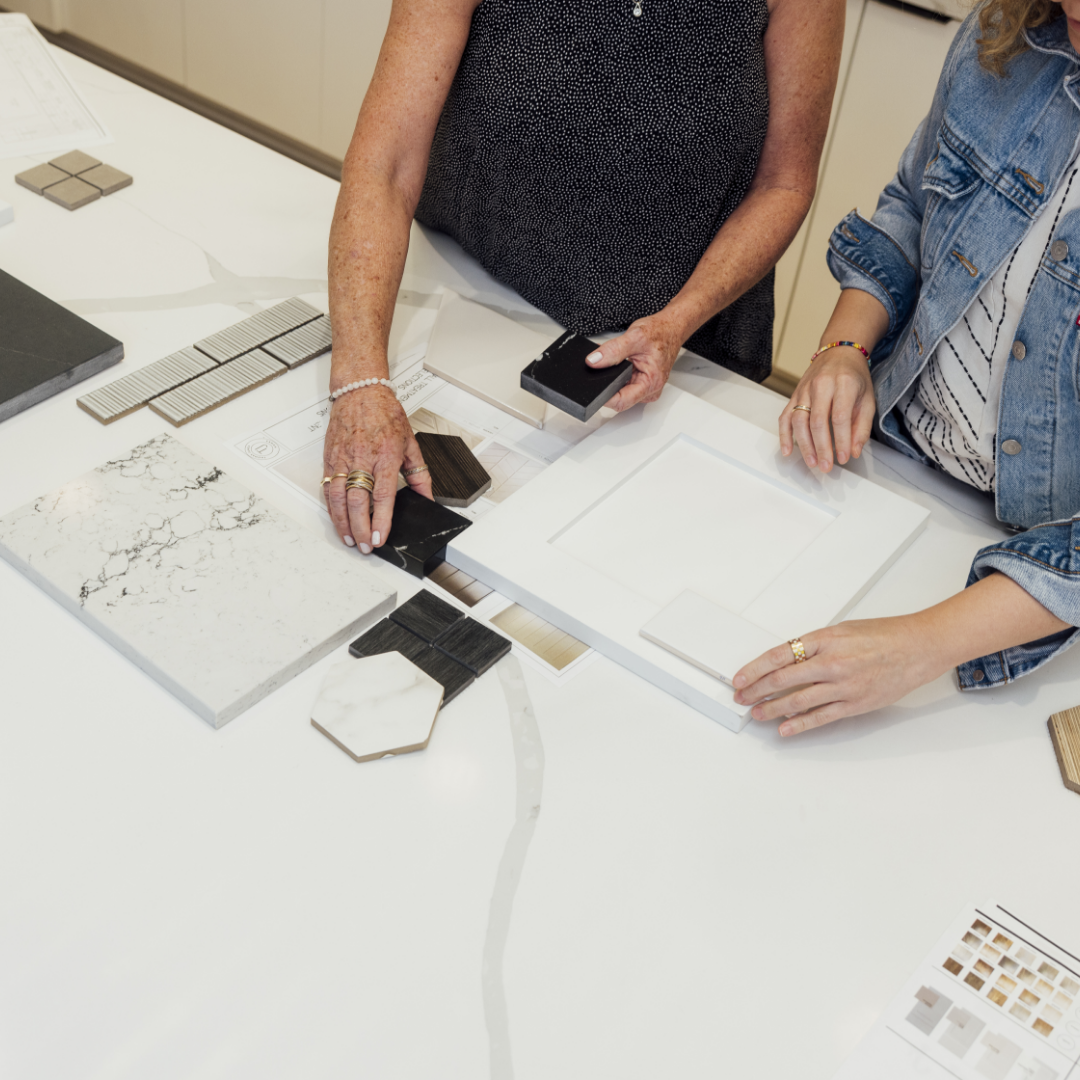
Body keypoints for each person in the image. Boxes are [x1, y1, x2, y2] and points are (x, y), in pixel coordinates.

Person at [322, 0, 844, 552]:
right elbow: (387, 162)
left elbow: (783, 184)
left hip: (674, 347)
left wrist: (677, 321)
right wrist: (360, 381)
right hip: (466, 288)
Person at [734, 0, 1080, 736]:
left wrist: (918, 646)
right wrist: (844, 350)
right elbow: (911, 212)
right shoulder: (1008, 35)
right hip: (887, 463)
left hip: (1031, 581)